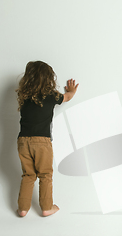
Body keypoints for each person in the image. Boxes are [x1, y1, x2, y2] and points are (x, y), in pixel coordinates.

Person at [15, 61, 78, 217]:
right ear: (49, 78)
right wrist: (71, 91)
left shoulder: (24, 97)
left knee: (28, 175)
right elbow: (67, 97)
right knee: (45, 174)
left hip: (23, 141)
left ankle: (23, 209)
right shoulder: (51, 96)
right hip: (41, 142)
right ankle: (47, 207)